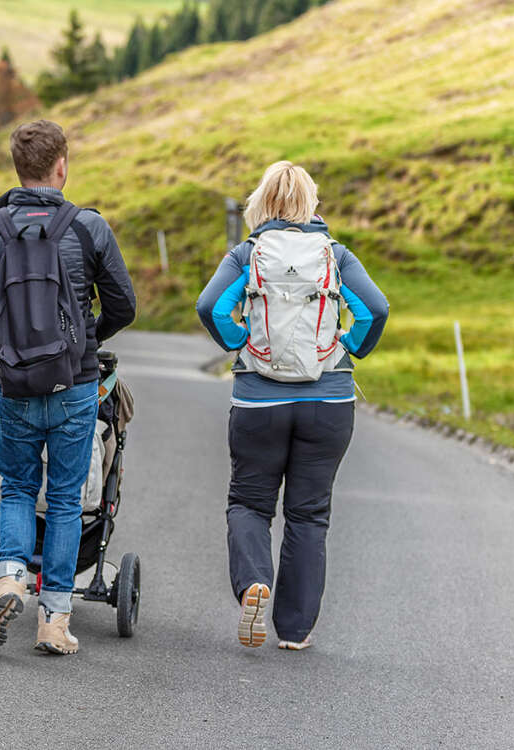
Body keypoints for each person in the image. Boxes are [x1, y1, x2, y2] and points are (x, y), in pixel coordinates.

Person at [0, 120, 136, 655]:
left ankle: (8, 579)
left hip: (14, 382)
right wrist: (79, 337)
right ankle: (54, 620)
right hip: (74, 384)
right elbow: (123, 305)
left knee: (16, 487)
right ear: (62, 166)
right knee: (63, 501)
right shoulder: (89, 228)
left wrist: (6, 334)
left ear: (17, 168)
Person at [196, 161, 388, 651]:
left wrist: (241, 342)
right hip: (329, 399)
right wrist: (350, 347)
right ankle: (296, 630)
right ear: (311, 203)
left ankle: (255, 584)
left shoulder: (247, 254)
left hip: (259, 399)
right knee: (308, 515)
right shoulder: (336, 256)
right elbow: (375, 309)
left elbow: (211, 307)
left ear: (262, 203)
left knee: (249, 503)